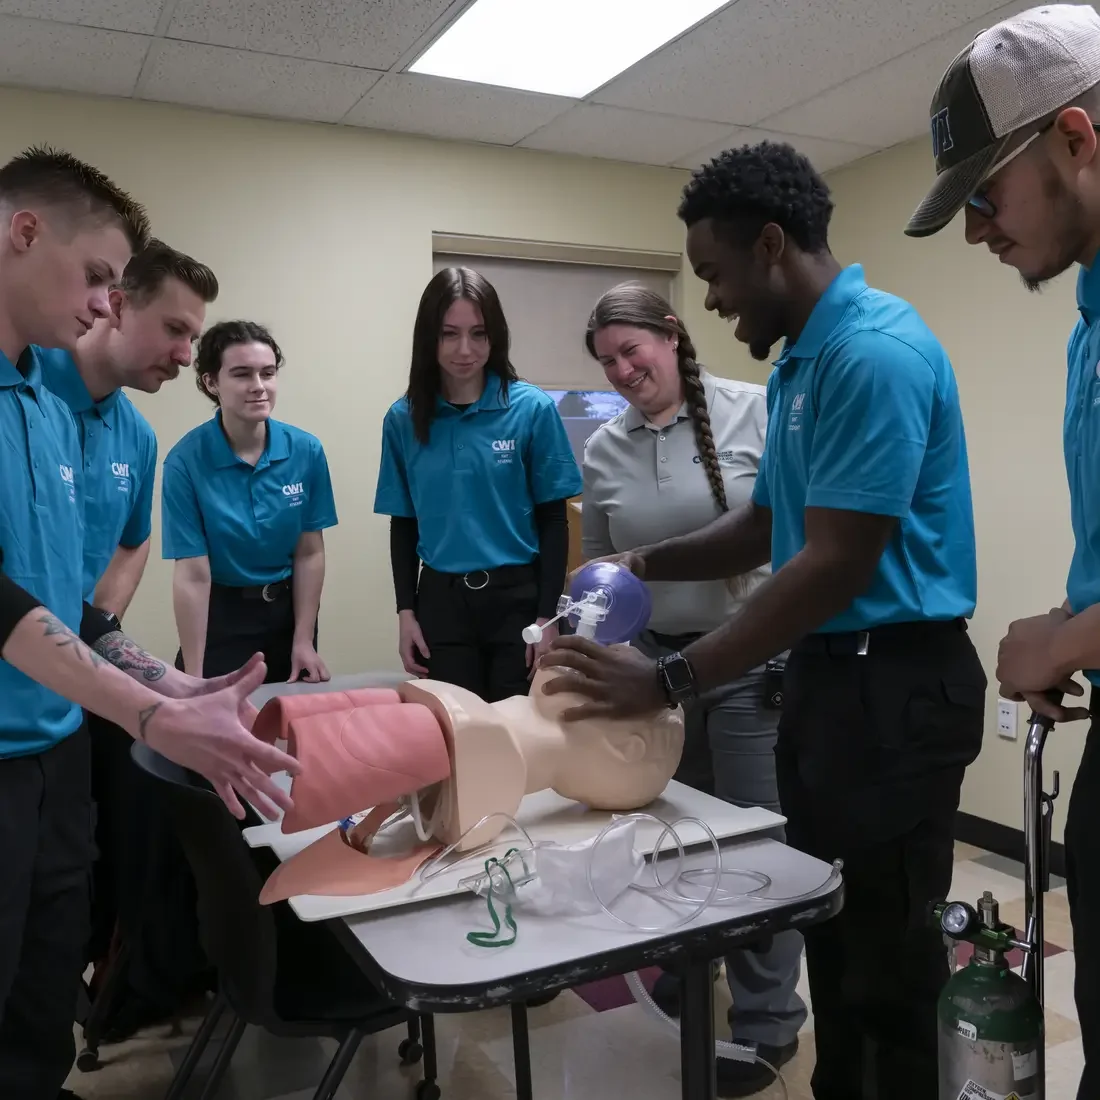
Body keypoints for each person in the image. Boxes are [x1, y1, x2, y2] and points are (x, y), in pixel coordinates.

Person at [539, 141, 986, 1100]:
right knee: (835, 934)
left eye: (715, 273)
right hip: (830, 681)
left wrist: (669, 678)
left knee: (888, 965)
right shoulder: (801, 367)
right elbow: (767, 525)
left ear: (772, 246)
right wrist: (644, 562)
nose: (711, 300)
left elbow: (834, 560)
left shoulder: (872, 353)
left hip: (895, 684)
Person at [0, 146, 297, 1100]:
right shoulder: (44, 384)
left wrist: (168, 679)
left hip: (55, 744)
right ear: (23, 232)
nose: (101, 302)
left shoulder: (44, 410)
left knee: (45, 982)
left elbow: (73, 602)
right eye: (97, 277)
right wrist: (153, 711)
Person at [906, 6, 1100, 1095]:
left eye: (984, 196)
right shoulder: (1088, 322)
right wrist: (1070, 624)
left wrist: (1060, 641)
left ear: (1074, 138)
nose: (975, 232)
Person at [581, 281, 806, 1095]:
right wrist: (579, 642)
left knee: (756, 848)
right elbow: (602, 574)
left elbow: (791, 533)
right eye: (607, 362)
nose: (621, 371)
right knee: (678, 842)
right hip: (656, 677)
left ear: (671, 335)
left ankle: (768, 1021)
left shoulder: (756, 409)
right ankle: (691, 967)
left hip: (750, 665)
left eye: (631, 351)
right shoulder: (603, 448)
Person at [36, 237, 221, 1042]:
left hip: (77, 687)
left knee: (78, 881)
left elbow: (132, 542)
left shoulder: (138, 438)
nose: (186, 354)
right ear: (116, 303)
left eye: (193, 337)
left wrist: (99, 627)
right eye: (175, 330)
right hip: (19, 687)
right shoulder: (29, 386)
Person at [373, 266, 582, 702]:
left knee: (518, 728)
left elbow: (553, 520)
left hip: (518, 602)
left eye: (479, 334)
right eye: (449, 334)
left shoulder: (531, 409)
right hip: (441, 603)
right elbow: (404, 523)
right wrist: (405, 612)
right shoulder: (403, 419)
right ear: (428, 338)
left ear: (495, 337)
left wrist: (547, 617)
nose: (465, 350)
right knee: (455, 729)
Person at [161, 320, 338, 684]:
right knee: (210, 713)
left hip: (288, 615)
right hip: (221, 618)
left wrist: (304, 639)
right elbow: (193, 574)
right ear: (211, 382)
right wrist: (194, 675)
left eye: (268, 373)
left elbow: (309, 552)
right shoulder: (185, 461)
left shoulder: (305, 451)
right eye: (242, 374)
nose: (259, 386)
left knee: (289, 716)